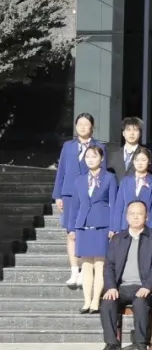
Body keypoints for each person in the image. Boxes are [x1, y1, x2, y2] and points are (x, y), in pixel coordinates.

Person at [98, 200, 152, 350]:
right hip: (121, 288)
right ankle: (112, 344)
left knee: (141, 302)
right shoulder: (117, 239)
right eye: (132, 214)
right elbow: (109, 266)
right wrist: (111, 286)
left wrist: (148, 286)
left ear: (146, 216)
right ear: (126, 216)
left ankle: (142, 344)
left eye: (140, 214)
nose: (136, 217)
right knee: (107, 302)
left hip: (145, 287)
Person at [54, 113, 108, 287]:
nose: (83, 127)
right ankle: (74, 271)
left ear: (92, 127)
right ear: (76, 127)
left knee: (86, 232)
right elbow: (61, 171)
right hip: (69, 194)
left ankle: (87, 271)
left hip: (90, 196)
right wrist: (58, 195)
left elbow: (104, 172)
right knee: (71, 233)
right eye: (80, 124)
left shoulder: (99, 146)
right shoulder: (68, 146)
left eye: (87, 124)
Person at [111, 146, 152, 234]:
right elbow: (119, 206)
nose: (140, 163)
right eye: (137, 160)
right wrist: (116, 228)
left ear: (149, 161)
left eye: (143, 160)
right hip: (126, 226)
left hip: (147, 226)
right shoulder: (125, 181)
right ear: (133, 161)